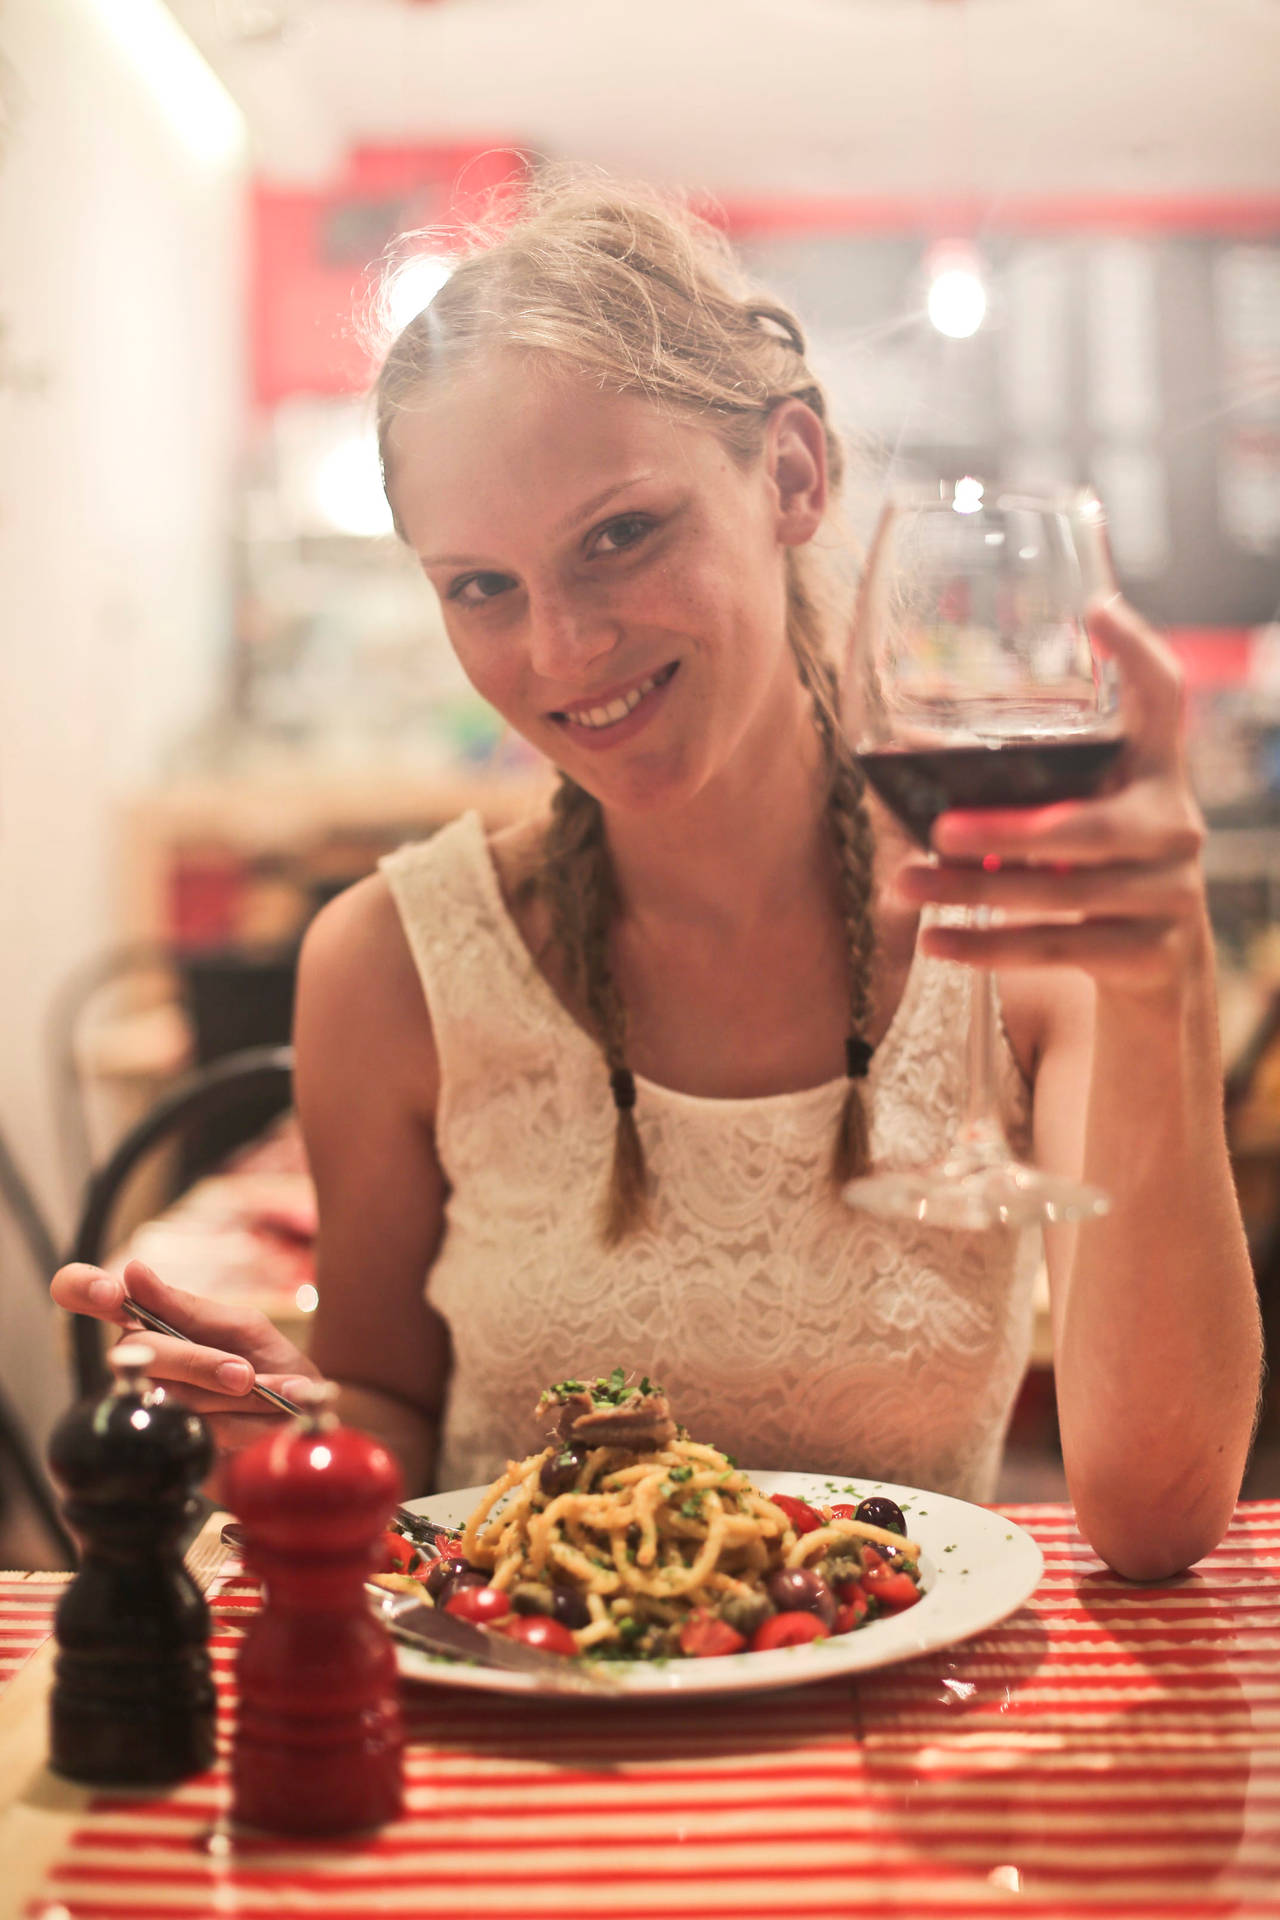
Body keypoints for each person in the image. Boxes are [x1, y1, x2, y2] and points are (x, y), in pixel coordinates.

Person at [54, 174, 1261, 1582]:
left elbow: (1162, 1520)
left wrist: (1165, 981)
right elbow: (390, 1408)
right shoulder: (391, 963)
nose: (561, 653)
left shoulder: (1019, 938)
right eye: (481, 587)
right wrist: (287, 1422)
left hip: (888, 1747)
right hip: (525, 1735)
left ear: (793, 477)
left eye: (621, 534)